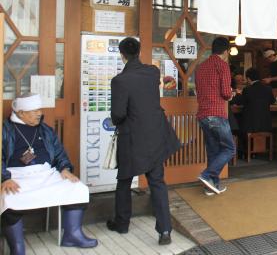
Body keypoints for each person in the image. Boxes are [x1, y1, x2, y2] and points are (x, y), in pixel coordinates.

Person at [2, 93, 97, 254]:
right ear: (21, 113)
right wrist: (4, 178)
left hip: (46, 173)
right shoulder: (4, 130)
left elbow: (59, 153)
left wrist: (65, 168)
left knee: (77, 188)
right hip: (16, 175)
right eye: (34, 111)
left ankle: (72, 235)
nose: (39, 113)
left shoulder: (45, 130)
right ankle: (17, 247)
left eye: (40, 109)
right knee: (9, 198)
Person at [107, 37, 180, 245]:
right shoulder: (152, 72)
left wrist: (118, 119)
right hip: (156, 133)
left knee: (124, 180)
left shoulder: (120, 81)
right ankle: (164, 231)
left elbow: (118, 114)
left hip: (132, 137)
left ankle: (122, 223)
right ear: (139, 52)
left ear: (122, 55)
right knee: (157, 181)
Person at [195, 37, 236, 196]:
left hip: (203, 114)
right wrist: (231, 94)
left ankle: (211, 186)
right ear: (226, 51)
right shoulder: (222, 65)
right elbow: (225, 93)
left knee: (213, 151)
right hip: (216, 113)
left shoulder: (201, 67)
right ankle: (206, 175)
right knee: (229, 149)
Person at [232, 68, 276, 154]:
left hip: (250, 125)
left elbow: (239, 101)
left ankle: (243, 152)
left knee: (236, 124)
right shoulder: (268, 89)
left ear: (249, 79)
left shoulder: (247, 89)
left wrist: (238, 94)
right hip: (265, 124)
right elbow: (272, 101)